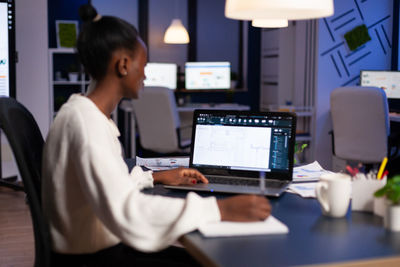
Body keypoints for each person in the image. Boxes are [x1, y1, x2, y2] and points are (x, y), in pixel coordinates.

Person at [42, 4, 271, 267]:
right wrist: (220, 209)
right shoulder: (86, 124)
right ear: (124, 65)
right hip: (94, 259)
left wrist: (154, 177)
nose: (146, 74)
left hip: (92, 248)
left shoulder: (79, 112)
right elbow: (128, 211)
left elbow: (109, 187)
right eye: (145, 64)